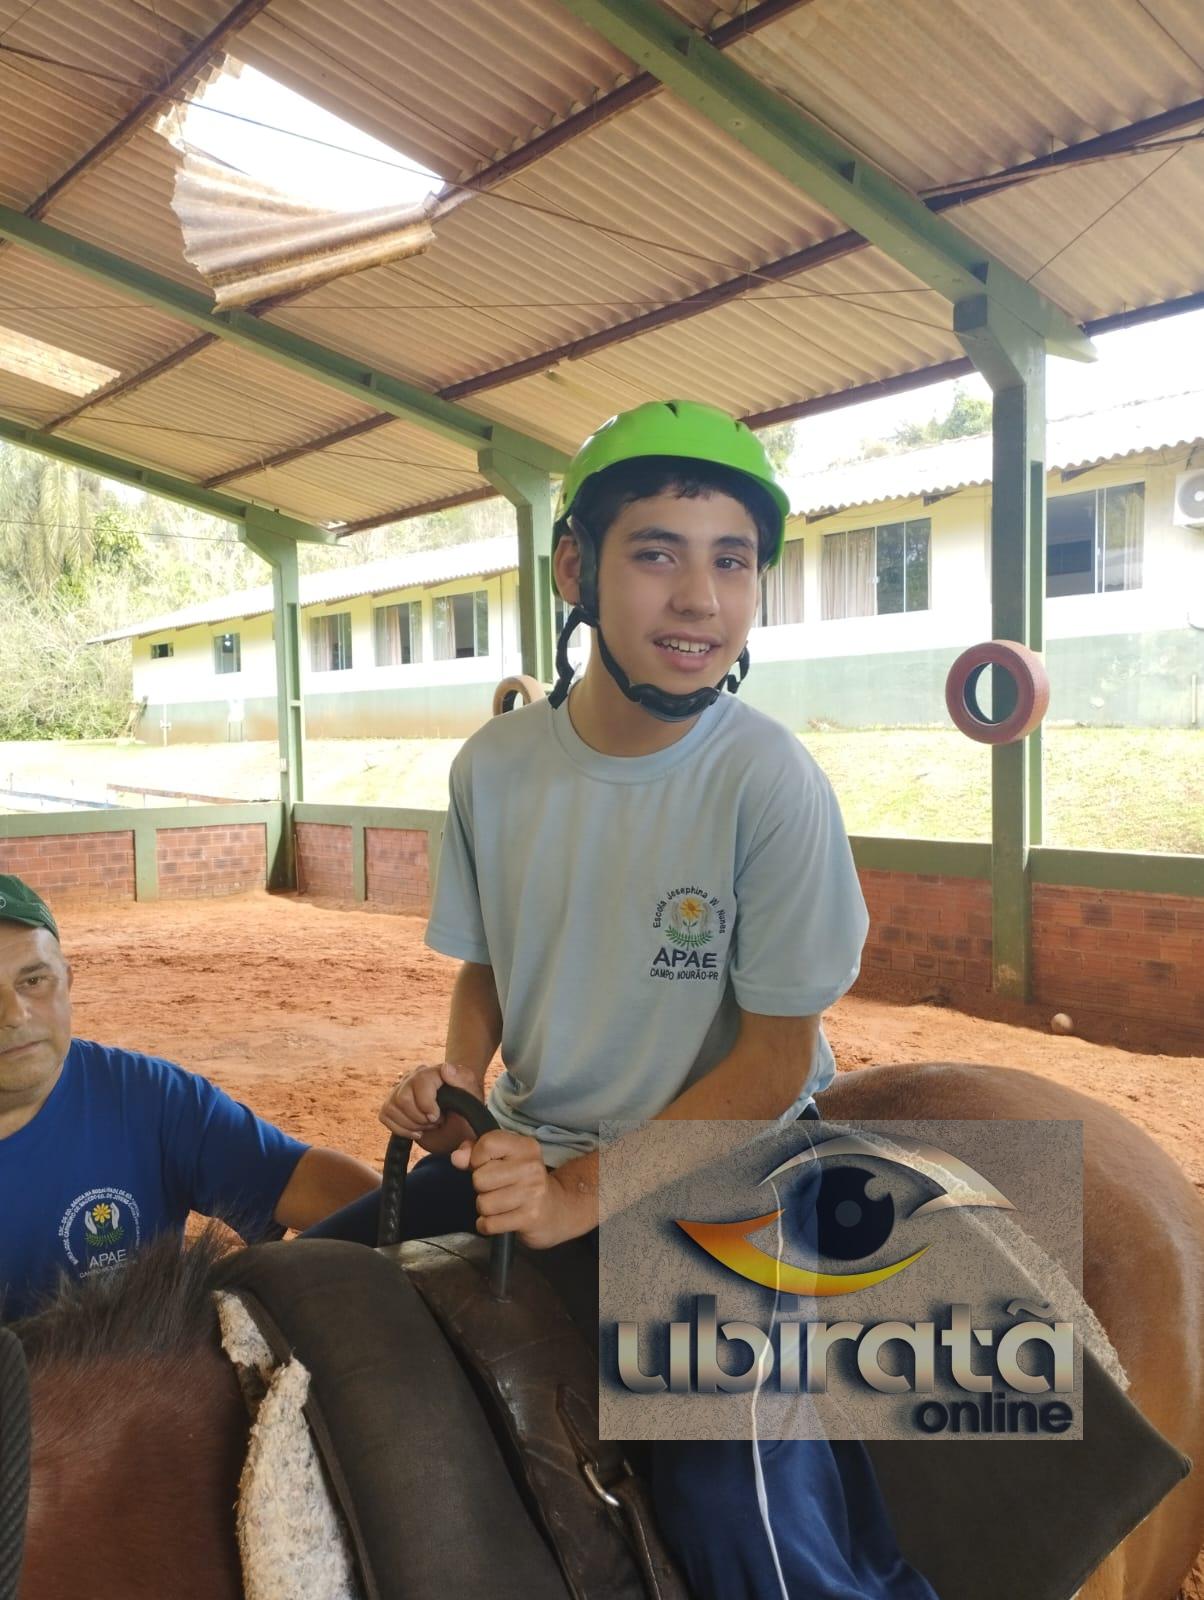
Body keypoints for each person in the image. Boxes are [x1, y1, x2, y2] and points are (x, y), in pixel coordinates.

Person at [313, 400, 937, 1598]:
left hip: (736, 1165)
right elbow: (487, 965)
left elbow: (770, 1061)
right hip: (543, 1148)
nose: (698, 598)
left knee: (729, 1505)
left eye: (731, 560)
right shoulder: (493, 766)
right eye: (657, 552)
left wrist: (574, 1197)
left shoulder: (768, 780)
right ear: (574, 570)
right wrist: (463, 1089)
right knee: (298, 1294)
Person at [0, 874, 379, 1322]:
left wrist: (426, 1232)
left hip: (142, 1386)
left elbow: (301, 1178)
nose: (13, 1014)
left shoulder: (148, 1098)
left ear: (67, 980)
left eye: (34, 980)